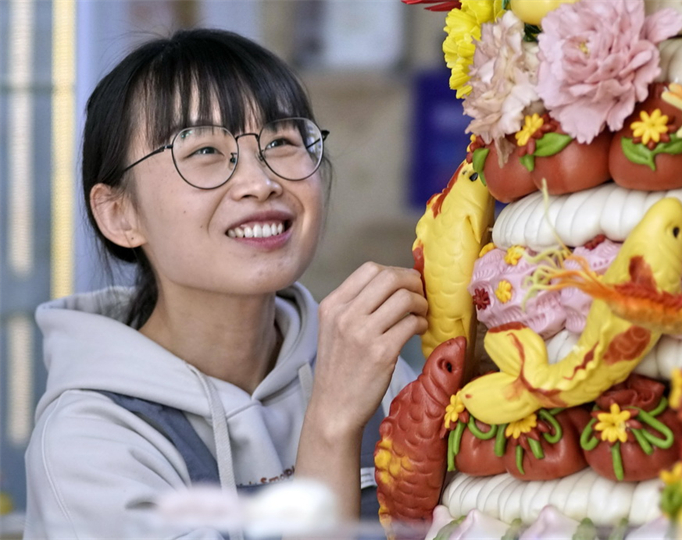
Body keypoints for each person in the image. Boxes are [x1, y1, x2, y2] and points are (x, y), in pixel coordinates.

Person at [24, 28, 427, 538]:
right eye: (204, 152)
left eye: (281, 141)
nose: (261, 183)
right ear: (120, 214)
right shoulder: (89, 442)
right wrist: (330, 426)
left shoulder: (370, 370)